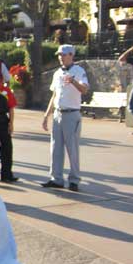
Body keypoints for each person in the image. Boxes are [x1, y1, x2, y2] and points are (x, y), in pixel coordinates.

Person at [41, 45, 89, 192]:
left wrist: (73, 82)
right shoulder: (57, 73)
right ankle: (56, 178)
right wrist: (46, 115)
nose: (60, 57)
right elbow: (54, 95)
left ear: (71, 55)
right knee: (55, 148)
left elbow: (85, 89)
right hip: (58, 113)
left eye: (63, 54)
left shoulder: (79, 71)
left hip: (72, 113)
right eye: (59, 55)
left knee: (72, 149)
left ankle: (74, 180)